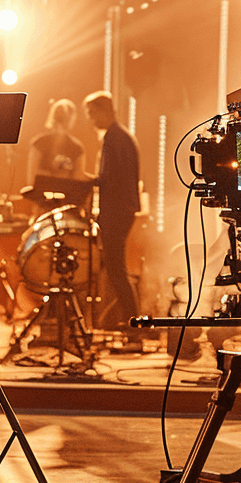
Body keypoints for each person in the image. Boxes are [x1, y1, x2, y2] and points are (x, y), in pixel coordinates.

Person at [83, 91, 141, 332]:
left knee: (117, 269)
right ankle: (128, 320)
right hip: (123, 210)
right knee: (116, 268)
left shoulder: (112, 138)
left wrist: (85, 181)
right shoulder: (123, 136)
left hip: (115, 211)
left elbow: (109, 179)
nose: (91, 119)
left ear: (105, 111)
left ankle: (132, 322)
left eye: (92, 113)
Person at [26, 98, 86, 185]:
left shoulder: (77, 148)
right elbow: (32, 179)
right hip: (42, 195)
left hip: (63, 195)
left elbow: (31, 179)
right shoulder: (38, 144)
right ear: (72, 119)